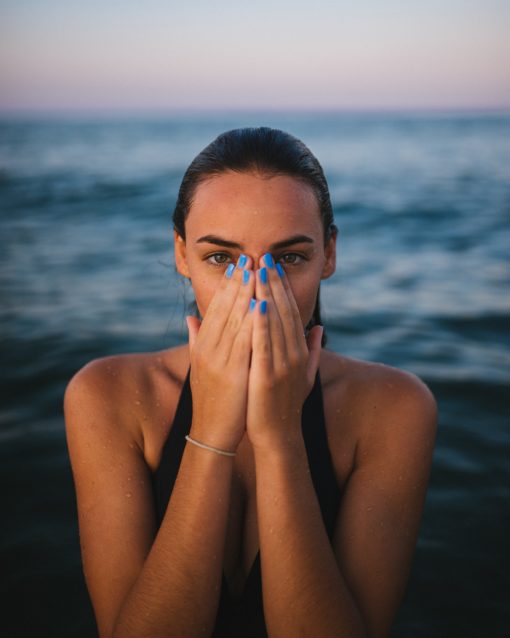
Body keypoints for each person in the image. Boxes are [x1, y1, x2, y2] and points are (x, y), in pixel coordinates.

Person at [64, 127, 437, 638]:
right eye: (221, 258)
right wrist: (212, 432)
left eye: (289, 258)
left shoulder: (394, 408)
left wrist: (282, 438)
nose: (258, 288)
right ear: (181, 254)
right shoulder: (108, 396)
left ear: (328, 254)